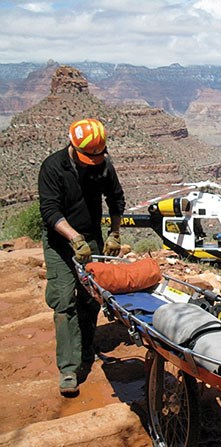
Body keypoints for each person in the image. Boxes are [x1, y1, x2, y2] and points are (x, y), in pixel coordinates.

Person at [38, 118, 125, 396]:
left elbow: (116, 199)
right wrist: (73, 237)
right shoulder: (53, 167)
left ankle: (87, 349)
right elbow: (50, 210)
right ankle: (69, 368)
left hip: (92, 238)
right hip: (59, 241)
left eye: (100, 156)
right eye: (91, 157)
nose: (96, 161)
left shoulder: (102, 165)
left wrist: (115, 233)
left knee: (90, 298)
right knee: (64, 302)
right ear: (74, 148)